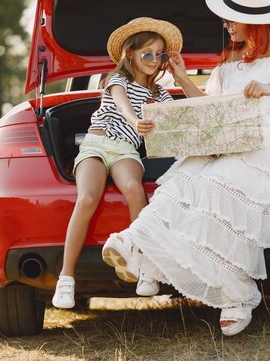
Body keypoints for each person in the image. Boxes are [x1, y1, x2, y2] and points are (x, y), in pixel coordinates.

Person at [102, 0, 270, 335]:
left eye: (232, 18)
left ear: (255, 20)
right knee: (181, 181)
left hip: (267, 139)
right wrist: (183, 78)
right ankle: (137, 243)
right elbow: (209, 106)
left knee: (221, 183)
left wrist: (267, 87)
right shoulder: (230, 56)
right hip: (222, 135)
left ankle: (238, 295)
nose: (226, 24)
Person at [52, 17, 182, 309]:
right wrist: (136, 120)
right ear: (130, 54)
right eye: (147, 53)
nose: (153, 59)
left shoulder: (159, 94)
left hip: (126, 151)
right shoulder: (116, 80)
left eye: (159, 54)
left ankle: (145, 268)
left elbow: (175, 122)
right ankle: (66, 278)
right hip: (96, 145)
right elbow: (122, 104)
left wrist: (181, 75)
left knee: (135, 190)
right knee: (86, 199)